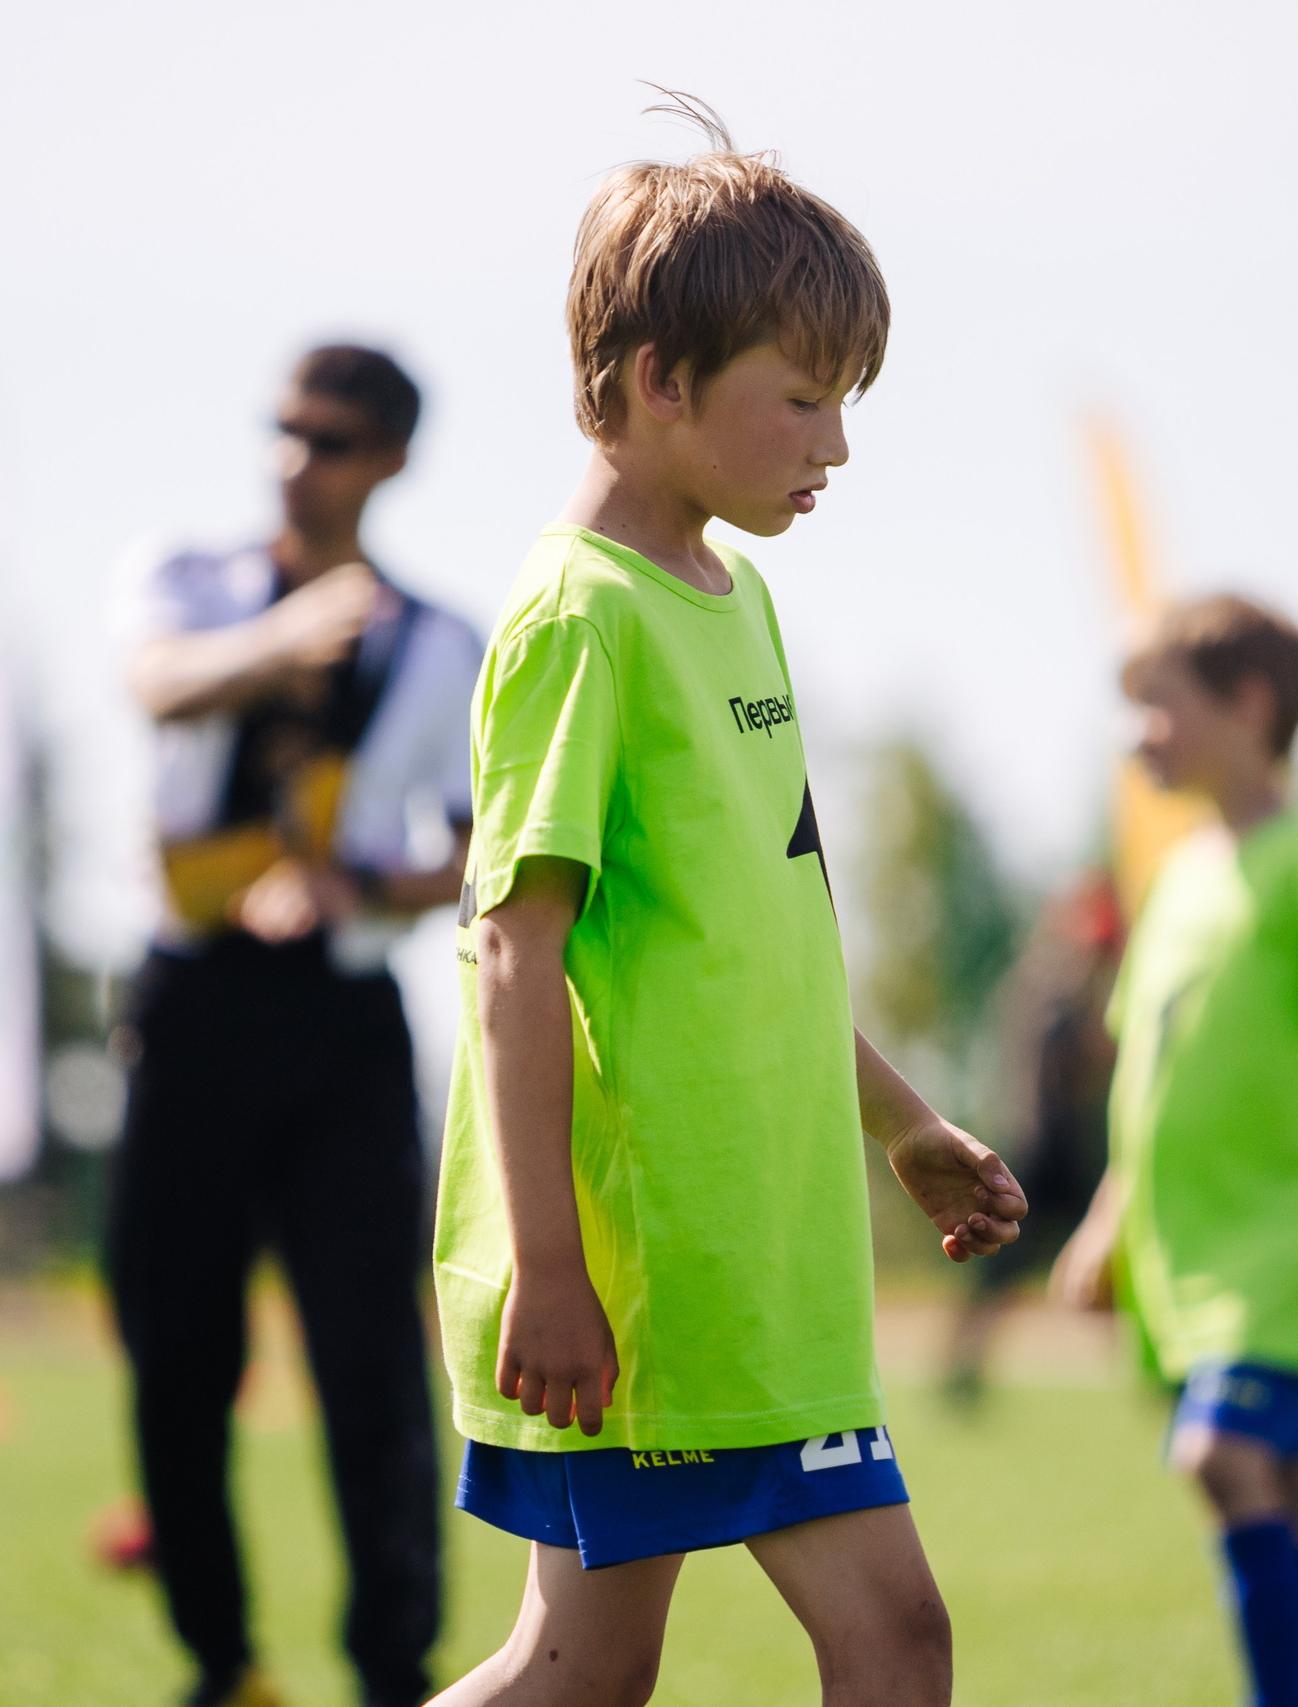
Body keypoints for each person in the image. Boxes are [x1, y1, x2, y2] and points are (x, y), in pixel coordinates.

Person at [428, 97, 1029, 1707]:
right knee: (882, 1636)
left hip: (766, 1251)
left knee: (578, 1674)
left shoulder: (733, 595)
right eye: (807, 399)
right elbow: (512, 953)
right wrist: (551, 1267)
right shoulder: (579, 615)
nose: (836, 445)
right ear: (658, 385)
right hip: (647, 1265)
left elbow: (756, 935)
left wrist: (899, 1122)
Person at [110, 343, 482, 1707]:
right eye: (282, 428)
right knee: (175, 1341)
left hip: (340, 1013)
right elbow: (152, 682)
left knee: (370, 1358)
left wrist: (360, 882)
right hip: (191, 994)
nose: (294, 459)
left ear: (389, 458)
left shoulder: (444, 643)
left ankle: (398, 1666)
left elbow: (484, 848)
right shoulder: (190, 579)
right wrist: (288, 636)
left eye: (328, 437)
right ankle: (223, 1658)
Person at [1052, 594, 1298, 1707]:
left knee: (1216, 1457)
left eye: (1157, 709)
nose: (1138, 737)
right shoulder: (1177, 879)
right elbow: (1154, 1076)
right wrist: (1105, 1227)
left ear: (1248, 706)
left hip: (1283, 1252)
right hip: (1194, 1259)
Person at [940, 869, 1127, 1409]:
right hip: (1046, 1149)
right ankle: (961, 1368)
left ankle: (1143, 1367)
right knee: (1005, 1268)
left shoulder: (1044, 981)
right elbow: (1084, 1061)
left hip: (1059, 1148)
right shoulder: (1057, 988)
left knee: (1105, 1264)